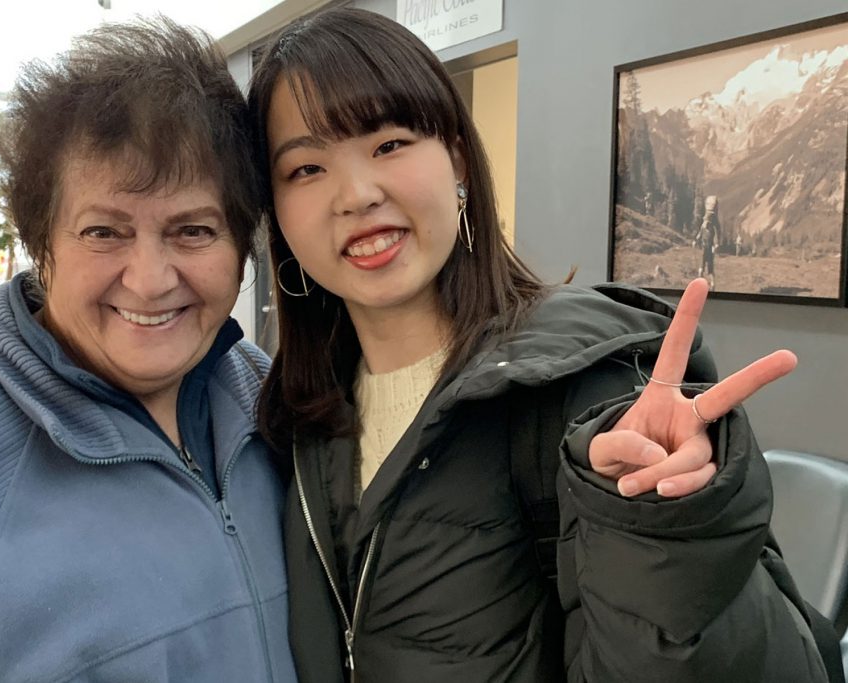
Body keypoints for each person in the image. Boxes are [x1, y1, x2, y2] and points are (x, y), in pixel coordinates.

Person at [248, 8, 839, 683]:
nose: (356, 194)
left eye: (389, 144)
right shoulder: (290, 420)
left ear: (458, 159)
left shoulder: (588, 390)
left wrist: (661, 529)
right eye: (305, 169)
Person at [0, 17, 296, 683]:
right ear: (40, 242)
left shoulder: (266, 397)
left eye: (193, 230)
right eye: (105, 231)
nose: (151, 278)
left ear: (242, 244)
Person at [696, 194, 721, 289]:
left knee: (705, 262)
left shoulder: (709, 218)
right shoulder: (712, 218)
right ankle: (709, 283)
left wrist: (715, 244)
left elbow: (705, 228)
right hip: (707, 244)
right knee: (707, 262)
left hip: (708, 244)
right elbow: (705, 229)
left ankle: (704, 282)